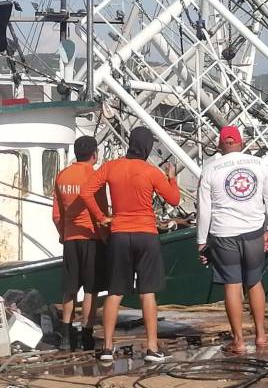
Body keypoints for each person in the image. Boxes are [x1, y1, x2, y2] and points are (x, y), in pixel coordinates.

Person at [80, 127, 180, 362]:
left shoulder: (111, 167)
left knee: (115, 292)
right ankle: (152, 347)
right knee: (147, 292)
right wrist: (172, 177)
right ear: (146, 146)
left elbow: (86, 192)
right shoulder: (150, 171)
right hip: (146, 233)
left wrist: (102, 217)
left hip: (119, 234)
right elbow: (174, 199)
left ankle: (107, 347)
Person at [197, 125, 268, 353]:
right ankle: (261, 336)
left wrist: (202, 241)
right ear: (241, 143)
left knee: (232, 285)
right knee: (254, 281)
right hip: (253, 231)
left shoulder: (210, 169)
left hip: (224, 234)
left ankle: (239, 341)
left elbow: (204, 209)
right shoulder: (259, 164)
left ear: (220, 145)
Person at [51, 136, 108, 351]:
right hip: (91, 238)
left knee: (70, 288)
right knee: (91, 290)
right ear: (94, 154)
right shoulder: (95, 177)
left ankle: (66, 335)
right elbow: (100, 211)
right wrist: (106, 236)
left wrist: (63, 233)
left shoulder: (62, 176)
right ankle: (87, 334)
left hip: (70, 239)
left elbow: (57, 215)